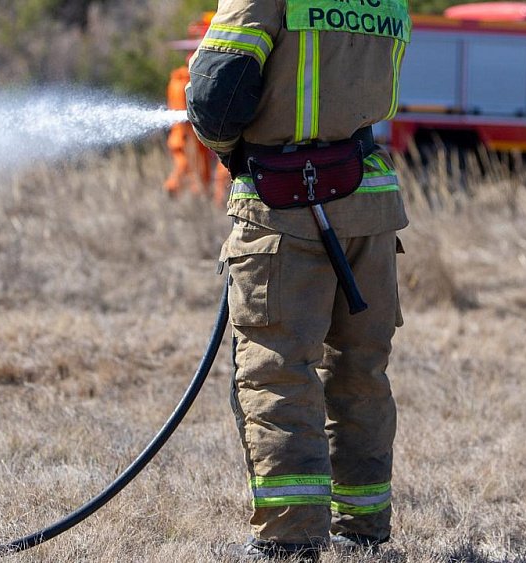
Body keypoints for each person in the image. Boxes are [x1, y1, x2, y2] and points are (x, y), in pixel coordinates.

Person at [186, 0, 411, 560]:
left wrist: (232, 155)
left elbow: (216, 96)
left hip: (285, 205)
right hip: (370, 203)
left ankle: (290, 542)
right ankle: (363, 530)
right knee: (361, 371)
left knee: (277, 372)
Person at [165, 65, 231, 206]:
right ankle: (185, 197)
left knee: (198, 170)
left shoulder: (183, 80)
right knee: (187, 168)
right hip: (187, 136)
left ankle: (207, 200)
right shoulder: (183, 82)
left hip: (190, 136)